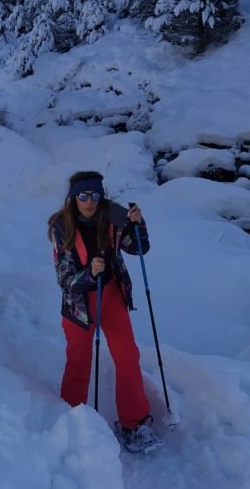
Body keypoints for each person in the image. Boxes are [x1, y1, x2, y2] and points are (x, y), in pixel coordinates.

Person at [47, 170, 161, 451]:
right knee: (79, 362)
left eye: (94, 195)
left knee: (128, 356)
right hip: (79, 305)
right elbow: (64, 280)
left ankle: (133, 424)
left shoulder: (113, 216)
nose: (89, 201)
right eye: (83, 195)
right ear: (74, 197)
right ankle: (71, 421)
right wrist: (88, 274)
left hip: (111, 296)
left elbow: (139, 248)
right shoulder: (62, 227)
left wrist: (138, 223)